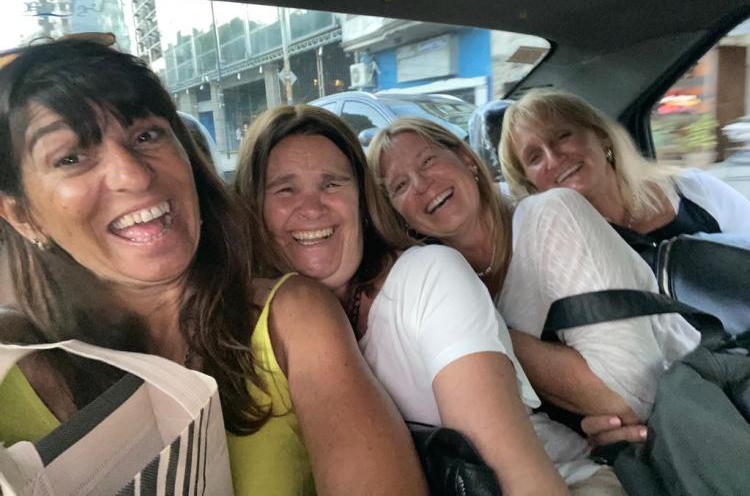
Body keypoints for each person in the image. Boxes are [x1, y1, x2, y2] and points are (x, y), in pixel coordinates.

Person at [0, 39, 426, 496]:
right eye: (71, 158)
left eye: (146, 135)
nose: (134, 176)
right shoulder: (11, 365)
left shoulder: (291, 318)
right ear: (22, 215)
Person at [235, 104, 615, 495]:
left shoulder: (428, 278)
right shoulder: (249, 333)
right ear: (253, 210)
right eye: (285, 189)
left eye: (332, 183)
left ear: (362, 204)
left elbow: (518, 479)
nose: (313, 207)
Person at [368, 116, 702, 449]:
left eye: (428, 161)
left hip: (694, 416)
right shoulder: (432, 292)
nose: (421, 184)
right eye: (400, 186)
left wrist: (480, 333)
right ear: (398, 215)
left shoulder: (552, 214)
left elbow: (631, 393)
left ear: (466, 158)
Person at [498, 89, 750, 265]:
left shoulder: (692, 189)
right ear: (531, 183)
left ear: (601, 136)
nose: (553, 158)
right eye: (534, 157)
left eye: (562, 136)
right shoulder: (554, 250)